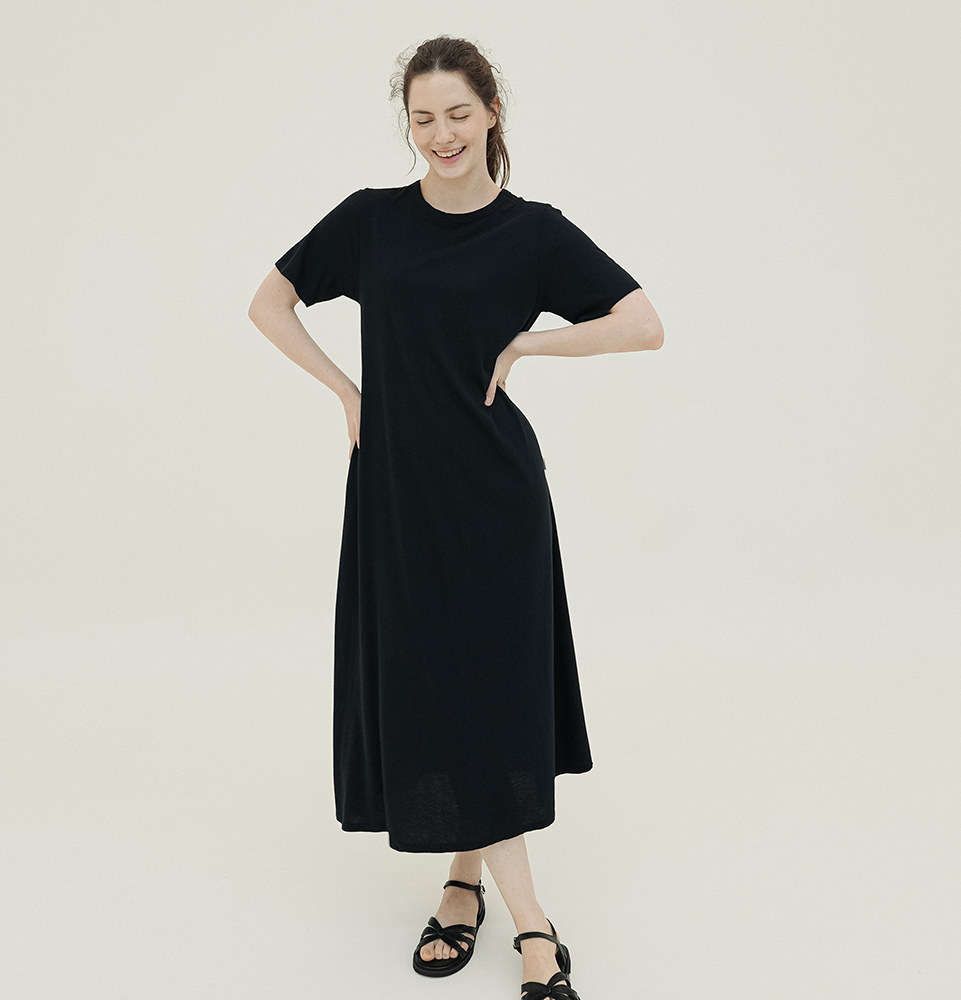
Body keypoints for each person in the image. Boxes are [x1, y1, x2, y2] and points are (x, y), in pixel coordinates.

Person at [247, 34, 664, 1000]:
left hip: (494, 499)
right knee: (437, 685)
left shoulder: (533, 233)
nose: (442, 135)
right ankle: (464, 882)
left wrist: (527, 347)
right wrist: (347, 392)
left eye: (459, 114)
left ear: (491, 114)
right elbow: (269, 303)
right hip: (395, 492)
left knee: (483, 694)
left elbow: (643, 323)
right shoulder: (371, 221)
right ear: (410, 124)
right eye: (424, 118)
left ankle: (530, 923)